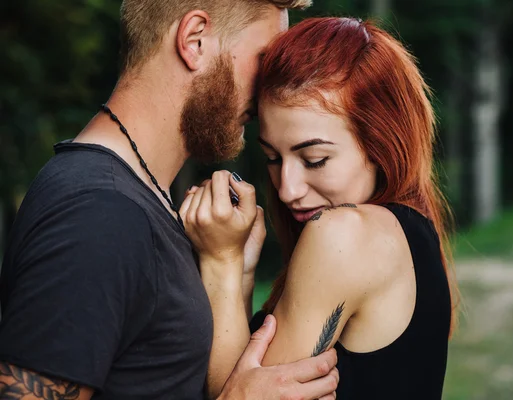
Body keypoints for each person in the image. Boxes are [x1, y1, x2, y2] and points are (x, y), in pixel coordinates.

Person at [0, 1, 340, 399]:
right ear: (194, 40)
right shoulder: (98, 213)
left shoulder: (137, 202)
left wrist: (232, 272)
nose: (270, 89)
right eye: (263, 60)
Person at [182, 17, 459, 399]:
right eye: (272, 158)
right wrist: (242, 270)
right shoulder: (414, 232)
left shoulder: (344, 236)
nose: (287, 190)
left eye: (314, 159)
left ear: (381, 145)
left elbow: (235, 392)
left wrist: (220, 262)